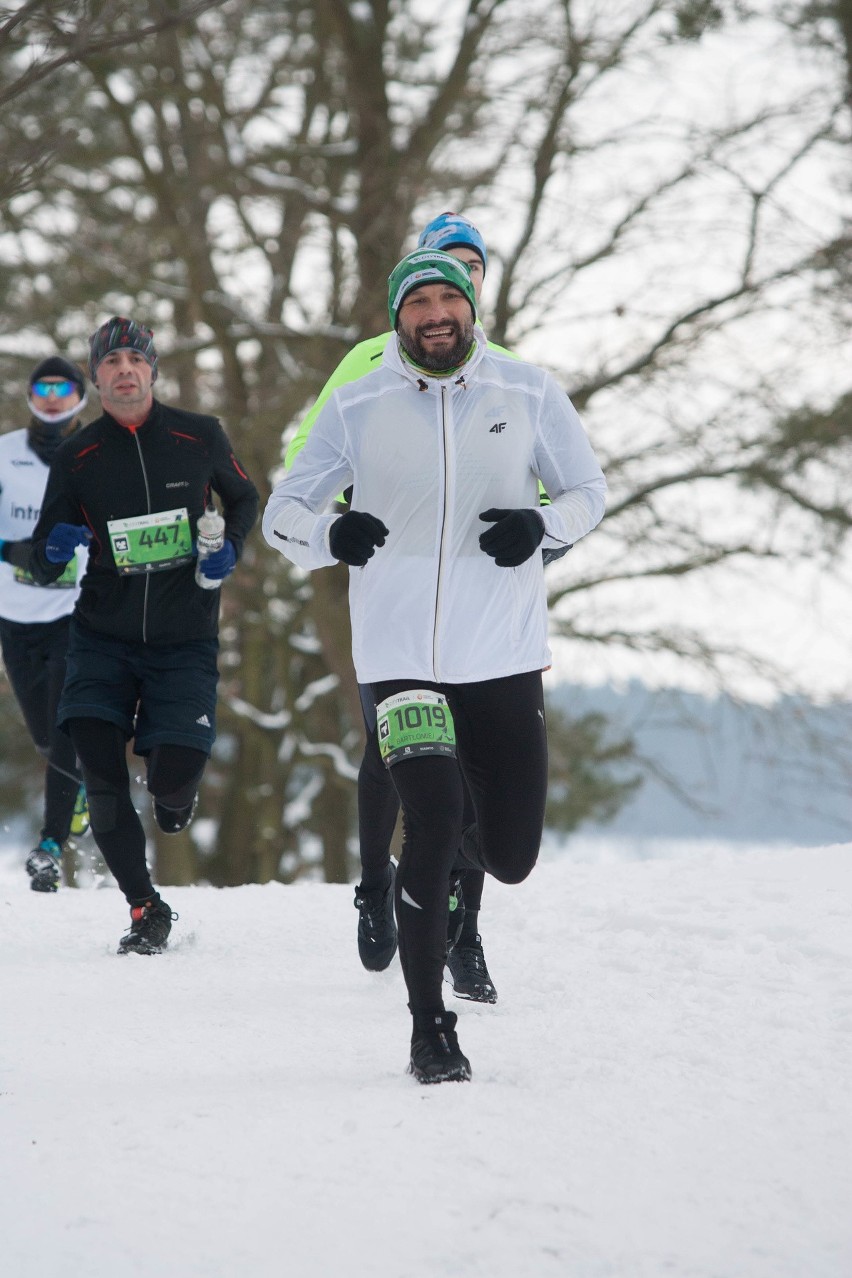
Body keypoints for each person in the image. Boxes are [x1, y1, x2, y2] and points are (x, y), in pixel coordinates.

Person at [264, 249, 606, 1081]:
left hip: (501, 655)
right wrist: (327, 537)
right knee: (435, 817)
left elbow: (588, 492)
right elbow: (281, 512)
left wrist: (542, 526)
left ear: (471, 307)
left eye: (447, 297)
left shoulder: (529, 392)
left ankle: (443, 876)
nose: (435, 314)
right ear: (397, 318)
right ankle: (430, 1029)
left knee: (513, 855)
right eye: (418, 302)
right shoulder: (358, 403)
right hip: (399, 656)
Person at [287, 212, 559, 1003]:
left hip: (486, 614)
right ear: (401, 303)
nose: (456, 287)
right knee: (398, 768)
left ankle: (462, 928)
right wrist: (342, 529)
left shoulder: (513, 373)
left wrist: (537, 536)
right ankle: (380, 885)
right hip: (396, 605)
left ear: (481, 287)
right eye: (439, 276)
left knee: (476, 799)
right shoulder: (365, 367)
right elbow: (311, 466)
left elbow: (562, 486)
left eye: (470, 270)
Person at [29, 317, 259, 954]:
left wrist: (230, 549)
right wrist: (55, 544)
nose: (124, 369)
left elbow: (245, 498)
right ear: (96, 377)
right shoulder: (78, 456)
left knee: (169, 779)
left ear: (153, 370)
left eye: (135, 358)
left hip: (185, 639)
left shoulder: (199, 435)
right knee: (99, 771)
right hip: (102, 635)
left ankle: (174, 792)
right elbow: (44, 556)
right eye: (111, 361)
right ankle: (144, 908)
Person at [0, 357, 91, 891]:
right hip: (14, 615)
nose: (53, 397)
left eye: (64, 388)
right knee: (42, 730)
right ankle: (71, 797)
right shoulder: (6, 452)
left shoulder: (93, 452)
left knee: (65, 728)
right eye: (43, 387)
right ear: (32, 396)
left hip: (73, 615)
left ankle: (50, 845)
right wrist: (18, 552)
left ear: (80, 396)